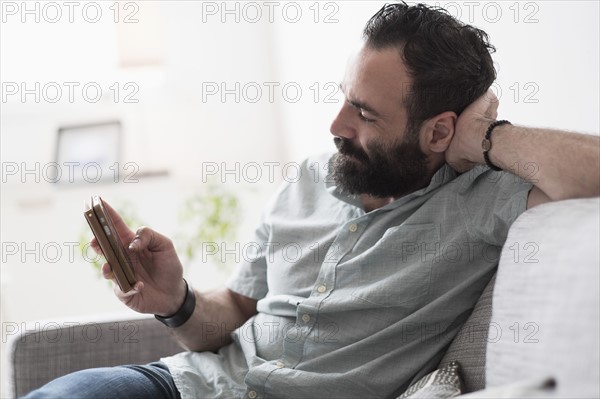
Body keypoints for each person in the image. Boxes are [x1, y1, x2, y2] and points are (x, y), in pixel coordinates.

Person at [25, 2, 599, 399]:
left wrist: (488, 138)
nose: (336, 125)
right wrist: (174, 300)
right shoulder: (310, 179)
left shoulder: (485, 198)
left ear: (438, 133)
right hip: (188, 384)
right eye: (345, 99)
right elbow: (235, 313)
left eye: (366, 115)